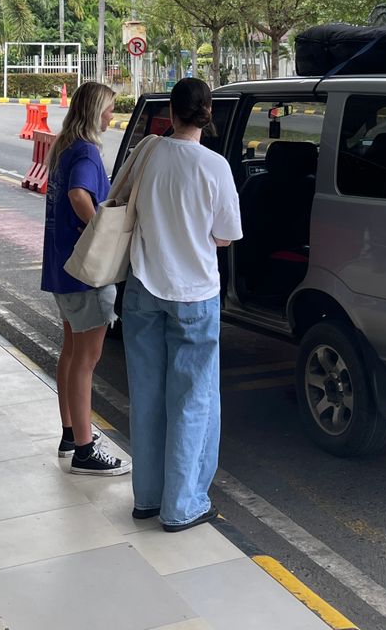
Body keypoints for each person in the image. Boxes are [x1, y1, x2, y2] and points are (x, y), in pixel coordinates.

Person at [117, 77, 241, 532]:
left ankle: (147, 498)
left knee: (146, 395)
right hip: (194, 295)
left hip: (143, 289)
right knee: (193, 399)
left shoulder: (146, 155)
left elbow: (124, 207)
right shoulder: (214, 166)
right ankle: (182, 505)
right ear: (208, 114)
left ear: (170, 112)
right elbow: (225, 236)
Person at [39, 81, 128, 476]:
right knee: (87, 360)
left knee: (72, 352)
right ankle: (85, 450)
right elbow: (79, 195)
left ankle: (70, 432)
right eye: (108, 109)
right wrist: (100, 233)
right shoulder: (88, 152)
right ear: (94, 112)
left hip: (63, 267)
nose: (112, 116)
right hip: (86, 273)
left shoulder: (65, 147)